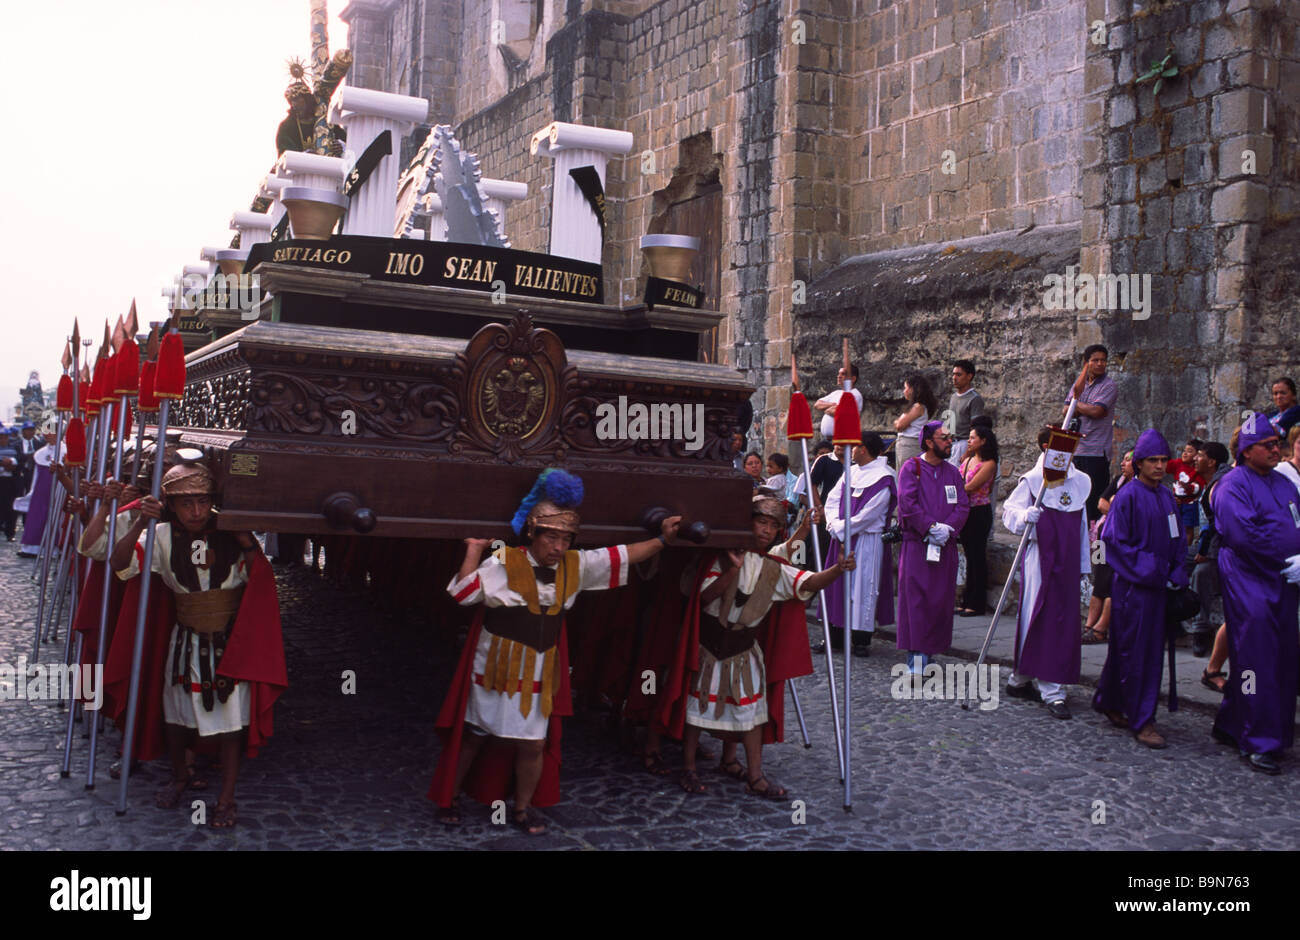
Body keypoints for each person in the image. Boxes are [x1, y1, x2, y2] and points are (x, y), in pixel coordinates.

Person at [429, 468, 680, 834]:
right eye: (552, 537)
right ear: (533, 532)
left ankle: (522, 809)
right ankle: (449, 798)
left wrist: (662, 540)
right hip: (495, 670)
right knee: (474, 736)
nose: (559, 546)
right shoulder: (503, 562)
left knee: (533, 744)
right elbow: (463, 594)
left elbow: (620, 556)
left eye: (566, 539)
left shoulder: (575, 567)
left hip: (538, 675)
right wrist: (473, 549)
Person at [110, 461, 287, 829]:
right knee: (176, 718)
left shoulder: (233, 534)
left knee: (231, 723)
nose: (195, 511)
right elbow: (120, 564)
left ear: (212, 501)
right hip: (183, 644)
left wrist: (248, 545)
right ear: (171, 506)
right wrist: (143, 521)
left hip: (228, 644)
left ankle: (226, 798)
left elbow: (261, 585)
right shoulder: (160, 535)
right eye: (185, 503)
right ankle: (180, 775)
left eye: (202, 502)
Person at [658, 491, 853, 799]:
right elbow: (703, 596)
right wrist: (733, 570)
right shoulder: (720, 556)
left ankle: (755, 776)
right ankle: (689, 768)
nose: (765, 530)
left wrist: (837, 570)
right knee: (697, 709)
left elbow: (807, 581)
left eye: (772, 526)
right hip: (709, 646)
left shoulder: (774, 567)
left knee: (751, 715)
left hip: (744, 650)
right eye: (760, 522)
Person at [1209, 415, 1300, 774]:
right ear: (1248, 452)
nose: (1276, 448)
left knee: (1282, 651)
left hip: (1283, 577)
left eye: (1277, 442)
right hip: (1249, 576)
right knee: (1257, 653)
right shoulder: (1233, 485)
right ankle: (1258, 739)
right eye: (1268, 444)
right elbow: (1243, 534)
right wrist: (1286, 555)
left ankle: (1232, 722)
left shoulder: (1284, 484)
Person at [1091, 429, 1188, 749]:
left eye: (1163, 460)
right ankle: (1142, 718)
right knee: (1138, 654)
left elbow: (1177, 538)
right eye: (1152, 461)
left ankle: (1111, 699)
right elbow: (1115, 543)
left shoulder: (1165, 496)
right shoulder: (1128, 497)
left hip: (1158, 587)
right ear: (1140, 464)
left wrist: (1177, 569)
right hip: (1134, 588)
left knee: (1136, 651)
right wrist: (1156, 570)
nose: (1159, 466)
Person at [1001, 428, 1091, 718]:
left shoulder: (1080, 482)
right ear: (1046, 447)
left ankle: (1022, 678)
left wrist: (1086, 565)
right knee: (1037, 616)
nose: (1070, 453)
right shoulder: (1033, 481)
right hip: (1039, 559)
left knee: (1061, 622)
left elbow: (1082, 528)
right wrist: (1024, 517)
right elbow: (1008, 512)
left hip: (1067, 562)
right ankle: (1050, 690)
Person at [896, 420, 969, 676]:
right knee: (916, 603)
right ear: (929, 442)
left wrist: (948, 528)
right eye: (944, 438)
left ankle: (929, 654)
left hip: (944, 547)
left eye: (950, 438)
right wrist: (929, 527)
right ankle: (916, 662)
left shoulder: (952, 472)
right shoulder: (911, 468)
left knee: (939, 602)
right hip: (918, 546)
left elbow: (962, 505)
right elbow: (907, 502)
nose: (950, 442)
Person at [823, 431, 896, 657]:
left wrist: (841, 529)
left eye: (854, 446)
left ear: (863, 449)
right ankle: (835, 638)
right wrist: (833, 524)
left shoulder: (884, 477)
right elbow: (833, 500)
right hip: (842, 536)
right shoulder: (850, 472)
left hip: (866, 540)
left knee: (864, 587)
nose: (850, 450)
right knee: (837, 586)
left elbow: (870, 514)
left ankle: (861, 640)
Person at [1083, 449, 1134, 644]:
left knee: (1112, 582)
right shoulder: (1119, 481)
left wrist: (1116, 510)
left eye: (1128, 460)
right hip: (1101, 538)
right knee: (1099, 580)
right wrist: (1117, 511)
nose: (1123, 463)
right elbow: (1101, 503)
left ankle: (1100, 629)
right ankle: (1089, 625)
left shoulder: (1137, 487)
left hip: (1119, 542)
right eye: (1123, 459)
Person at [1065, 345, 1119, 521]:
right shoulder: (1079, 384)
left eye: (1103, 360)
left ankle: (1096, 547)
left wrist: (1076, 405)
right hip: (1077, 450)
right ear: (1086, 363)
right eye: (1095, 360)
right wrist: (1077, 406)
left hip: (1096, 451)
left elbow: (1098, 412)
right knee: (1075, 499)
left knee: (1093, 503)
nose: (1100, 364)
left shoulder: (1109, 386)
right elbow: (1065, 410)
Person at [1189, 442, 1231, 661]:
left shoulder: (1221, 484)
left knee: (1201, 572)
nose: (1195, 459)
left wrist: (1205, 550)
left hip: (1219, 549)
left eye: (1200, 455)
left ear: (1212, 462)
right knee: (1168, 559)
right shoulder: (1207, 484)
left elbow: (1218, 523)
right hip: (1207, 545)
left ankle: (1200, 629)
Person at [957, 425, 998, 617]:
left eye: (973, 438)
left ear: (983, 440)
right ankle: (966, 599)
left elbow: (971, 486)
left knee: (977, 556)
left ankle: (977, 602)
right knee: (969, 556)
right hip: (966, 510)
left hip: (979, 512)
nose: (969, 441)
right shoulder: (968, 459)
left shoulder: (989, 463)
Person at [1166, 438, 1206, 544]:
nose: (1185, 453)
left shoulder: (1197, 469)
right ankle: (1173, 544)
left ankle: (1185, 548)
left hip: (1190, 503)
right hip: (1176, 501)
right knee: (1173, 523)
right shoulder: (1178, 463)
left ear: (1197, 455)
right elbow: (1167, 466)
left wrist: (1188, 487)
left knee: (1187, 528)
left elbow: (1198, 487)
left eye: (1189, 451)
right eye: (1184, 450)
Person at [893, 374, 938, 467]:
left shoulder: (917, 407)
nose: (904, 391)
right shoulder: (919, 407)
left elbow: (899, 426)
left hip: (909, 445)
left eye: (906, 388)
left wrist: (898, 422)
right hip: (908, 445)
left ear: (912, 389)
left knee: (906, 474)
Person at [947, 360, 985, 465]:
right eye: (953, 374)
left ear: (969, 376)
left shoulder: (974, 399)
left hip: (964, 444)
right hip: (951, 444)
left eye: (959, 375)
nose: (954, 378)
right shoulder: (953, 397)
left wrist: (968, 452)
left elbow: (976, 428)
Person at [814, 365, 863, 442]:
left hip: (841, 440)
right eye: (839, 374)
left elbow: (838, 412)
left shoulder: (855, 394)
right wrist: (832, 405)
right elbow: (817, 404)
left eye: (843, 374)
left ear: (853, 379)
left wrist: (827, 408)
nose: (839, 376)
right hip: (826, 439)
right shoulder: (836, 393)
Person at [0, 430, 19, 541]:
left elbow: (17, 463)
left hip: (9, 482)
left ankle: (10, 533)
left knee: (10, 508)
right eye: (0, 437)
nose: (2, 439)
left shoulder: (14, 449)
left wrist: (11, 464)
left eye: (4, 437)